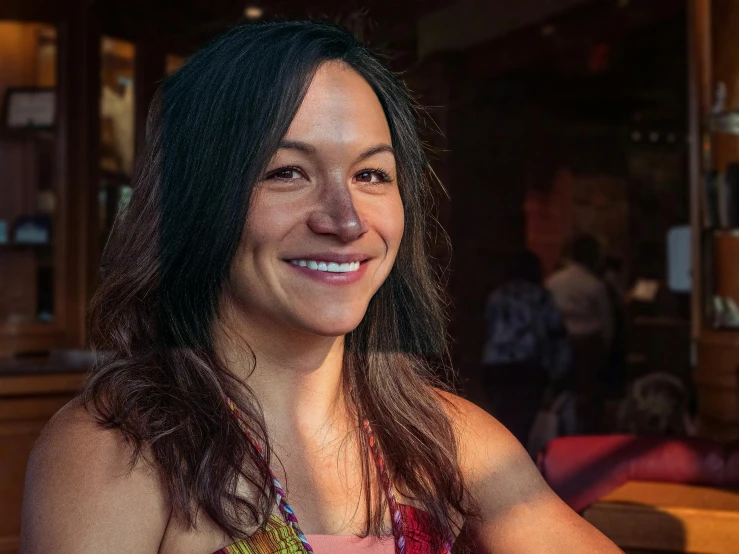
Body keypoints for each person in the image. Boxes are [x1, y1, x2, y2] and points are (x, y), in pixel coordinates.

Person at [20, 21, 619, 553]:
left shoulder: (447, 439)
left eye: (370, 174)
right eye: (287, 172)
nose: (347, 218)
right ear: (193, 205)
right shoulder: (119, 451)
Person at [481, 250, 571, 446]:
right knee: (523, 423)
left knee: (502, 420)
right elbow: (556, 333)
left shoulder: (497, 295)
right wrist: (559, 371)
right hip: (529, 365)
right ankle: (518, 464)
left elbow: (490, 327)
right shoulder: (540, 296)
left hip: (496, 364)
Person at [546, 234, 613, 434]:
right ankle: (587, 437)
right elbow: (606, 321)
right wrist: (605, 348)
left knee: (562, 394)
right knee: (588, 396)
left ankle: (562, 435)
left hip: (560, 344)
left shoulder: (553, 282)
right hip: (588, 344)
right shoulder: (594, 284)